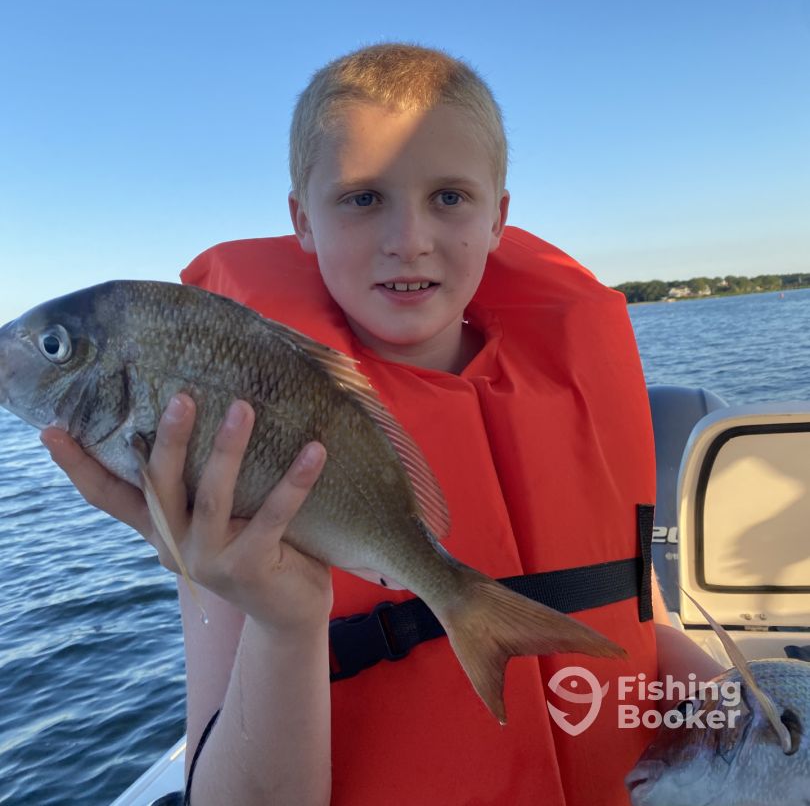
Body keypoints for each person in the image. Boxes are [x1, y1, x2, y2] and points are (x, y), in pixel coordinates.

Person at [43, 43, 722, 805]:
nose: (409, 239)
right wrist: (285, 622)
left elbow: (636, 623)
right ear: (302, 220)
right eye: (363, 198)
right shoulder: (231, 444)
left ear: (499, 218)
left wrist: (737, 703)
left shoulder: (579, 393)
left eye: (449, 197)